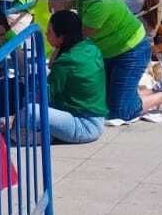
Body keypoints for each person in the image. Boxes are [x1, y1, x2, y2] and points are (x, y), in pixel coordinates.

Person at [71, 0, 162, 121]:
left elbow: (79, 39)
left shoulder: (100, 3)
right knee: (104, 104)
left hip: (131, 51)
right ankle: (148, 91)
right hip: (110, 52)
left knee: (120, 111)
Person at [30, 10, 107, 144]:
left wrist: (16, 115)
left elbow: (44, 96)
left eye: (49, 31)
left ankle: (18, 132)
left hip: (84, 125)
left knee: (30, 110)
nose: (46, 34)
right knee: (29, 99)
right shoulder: (89, 46)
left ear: (62, 37)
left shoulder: (66, 61)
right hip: (94, 119)